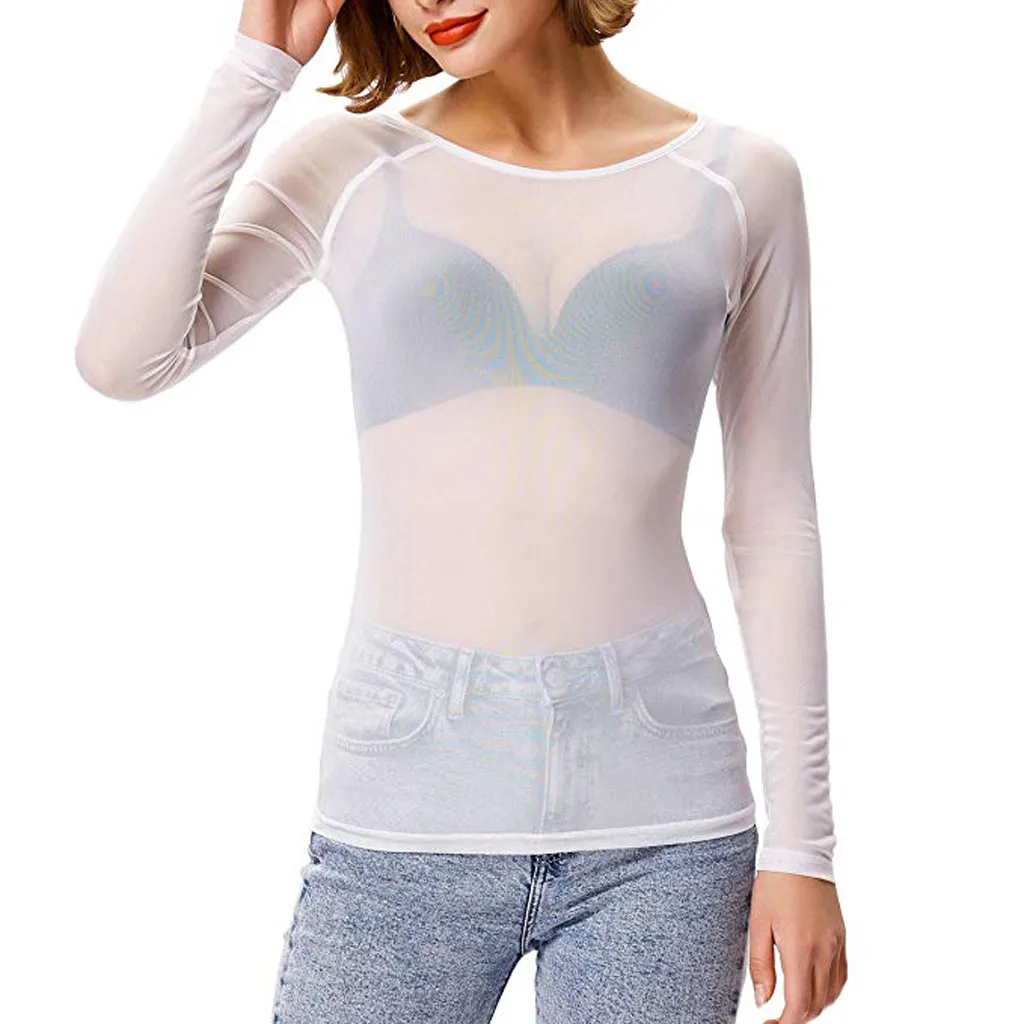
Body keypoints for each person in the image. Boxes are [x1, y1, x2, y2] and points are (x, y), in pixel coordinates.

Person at [74, 0, 848, 1020]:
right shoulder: (350, 168)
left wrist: (803, 846)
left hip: (665, 831)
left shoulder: (740, 179)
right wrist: (255, 70)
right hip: (400, 822)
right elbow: (122, 359)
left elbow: (772, 519)